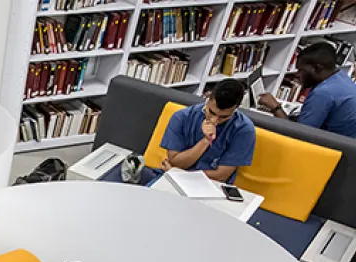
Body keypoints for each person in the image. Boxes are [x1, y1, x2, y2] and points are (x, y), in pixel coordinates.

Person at [106, 79, 255, 186]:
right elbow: (176, 162)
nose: (214, 120)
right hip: (171, 179)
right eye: (211, 112)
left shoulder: (244, 130)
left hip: (211, 188)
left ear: (236, 109)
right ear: (208, 98)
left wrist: (177, 174)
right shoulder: (182, 117)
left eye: (223, 117)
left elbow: (221, 176)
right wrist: (205, 141)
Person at [259, 42, 356, 138]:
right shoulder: (341, 76)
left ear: (317, 69)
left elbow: (299, 135)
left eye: (301, 70)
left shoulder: (323, 93)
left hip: (339, 145)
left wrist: (275, 107)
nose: (297, 74)